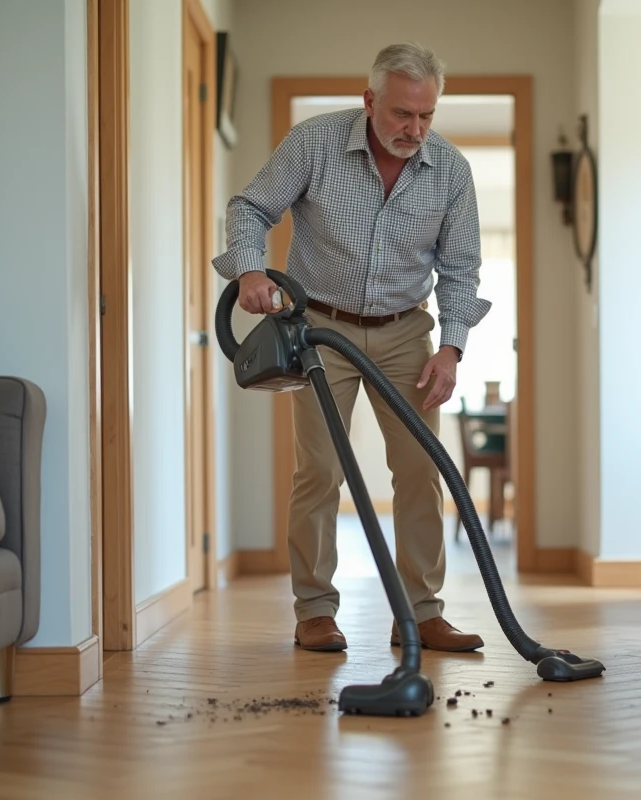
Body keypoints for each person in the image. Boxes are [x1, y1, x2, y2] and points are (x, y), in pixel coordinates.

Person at [211, 42, 491, 653]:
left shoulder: (450, 170)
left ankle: (420, 612)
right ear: (369, 102)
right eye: (401, 115)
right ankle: (315, 610)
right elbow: (251, 207)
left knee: (421, 470)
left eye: (426, 117)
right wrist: (250, 271)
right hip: (323, 331)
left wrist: (452, 348)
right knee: (319, 470)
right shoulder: (315, 143)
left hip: (406, 330)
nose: (414, 130)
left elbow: (462, 269)